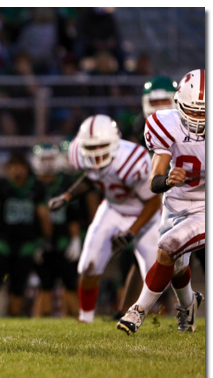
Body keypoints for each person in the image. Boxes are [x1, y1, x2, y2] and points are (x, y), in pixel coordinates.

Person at [48, 114, 162, 323]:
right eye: (90, 148)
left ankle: (171, 311)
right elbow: (92, 177)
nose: (95, 153)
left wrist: (132, 231)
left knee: (157, 272)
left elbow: (154, 201)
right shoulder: (78, 153)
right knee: (88, 264)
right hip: (113, 209)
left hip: (144, 213)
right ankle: (85, 318)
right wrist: (67, 196)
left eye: (100, 146)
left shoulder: (133, 160)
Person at [117, 69, 205, 335]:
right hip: (176, 202)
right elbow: (154, 180)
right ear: (178, 105)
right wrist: (168, 180)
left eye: (204, 112)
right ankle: (189, 306)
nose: (199, 119)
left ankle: (137, 311)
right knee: (177, 265)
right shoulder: (164, 123)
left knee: (167, 249)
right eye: (193, 110)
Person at [0, 152, 52, 317]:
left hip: (27, 242)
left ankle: (14, 316)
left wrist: (46, 238)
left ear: (27, 169)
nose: (17, 171)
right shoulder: (0, 187)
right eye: (13, 168)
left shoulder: (36, 188)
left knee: (19, 283)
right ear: (7, 170)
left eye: (20, 167)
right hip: (2, 241)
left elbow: (44, 215)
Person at [31, 144, 83, 317]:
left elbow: (74, 214)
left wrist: (75, 240)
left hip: (63, 238)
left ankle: (76, 320)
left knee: (69, 282)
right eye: (43, 159)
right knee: (44, 284)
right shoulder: (32, 184)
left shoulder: (67, 182)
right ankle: (40, 320)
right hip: (39, 240)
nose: (47, 164)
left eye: (50, 159)